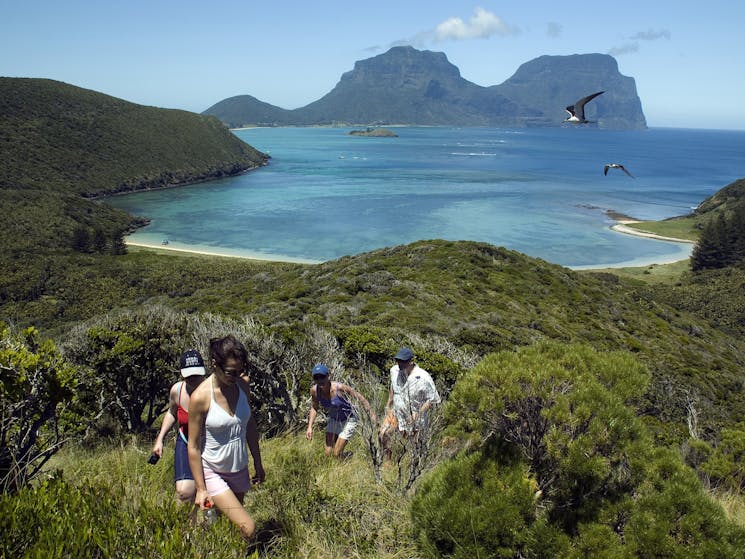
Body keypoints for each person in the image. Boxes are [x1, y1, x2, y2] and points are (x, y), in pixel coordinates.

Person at [188, 335, 266, 540]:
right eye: (231, 372)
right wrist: (201, 489)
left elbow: (249, 426)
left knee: (230, 528)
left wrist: (258, 462)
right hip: (213, 470)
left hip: (239, 468)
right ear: (215, 365)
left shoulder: (242, 386)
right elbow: (194, 446)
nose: (236, 376)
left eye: (240, 371)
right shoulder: (200, 397)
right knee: (248, 527)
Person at [151, 348, 207, 503]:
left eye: (197, 375)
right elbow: (172, 412)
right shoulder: (177, 390)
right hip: (186, 440)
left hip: (210, 443)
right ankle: (189, 525)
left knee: (213, 489)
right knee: (184, 492)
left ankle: (213, 524)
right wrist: (160, 439)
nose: (194, 379)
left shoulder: (213, 391)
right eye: (190, 376)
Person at [379, 347, 441, 458]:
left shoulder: (423, 376)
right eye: (398, 360)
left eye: (403, 361)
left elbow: (432, 400)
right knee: (384, 433)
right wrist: (389, 403)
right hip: (397, 410)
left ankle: (415, 466)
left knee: (414, 444)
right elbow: (393, 386)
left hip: (415, 415)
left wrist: (417, 414)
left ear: (410, 361)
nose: (400, 364)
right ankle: (387, 461)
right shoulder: (394, 371)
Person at [306, 363, 376, 458]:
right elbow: (314, 407)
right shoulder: (314, 391)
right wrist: (310, 427)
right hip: (334, 419)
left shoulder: (339, 388)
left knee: (337, 453)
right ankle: (345, 458)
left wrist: (371, 414)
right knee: (328, 453)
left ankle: (349, 457)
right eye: (316, 378)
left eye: (322, 377)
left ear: (328, 376)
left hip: (349, 419)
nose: (320, 380)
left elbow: (360, 397)